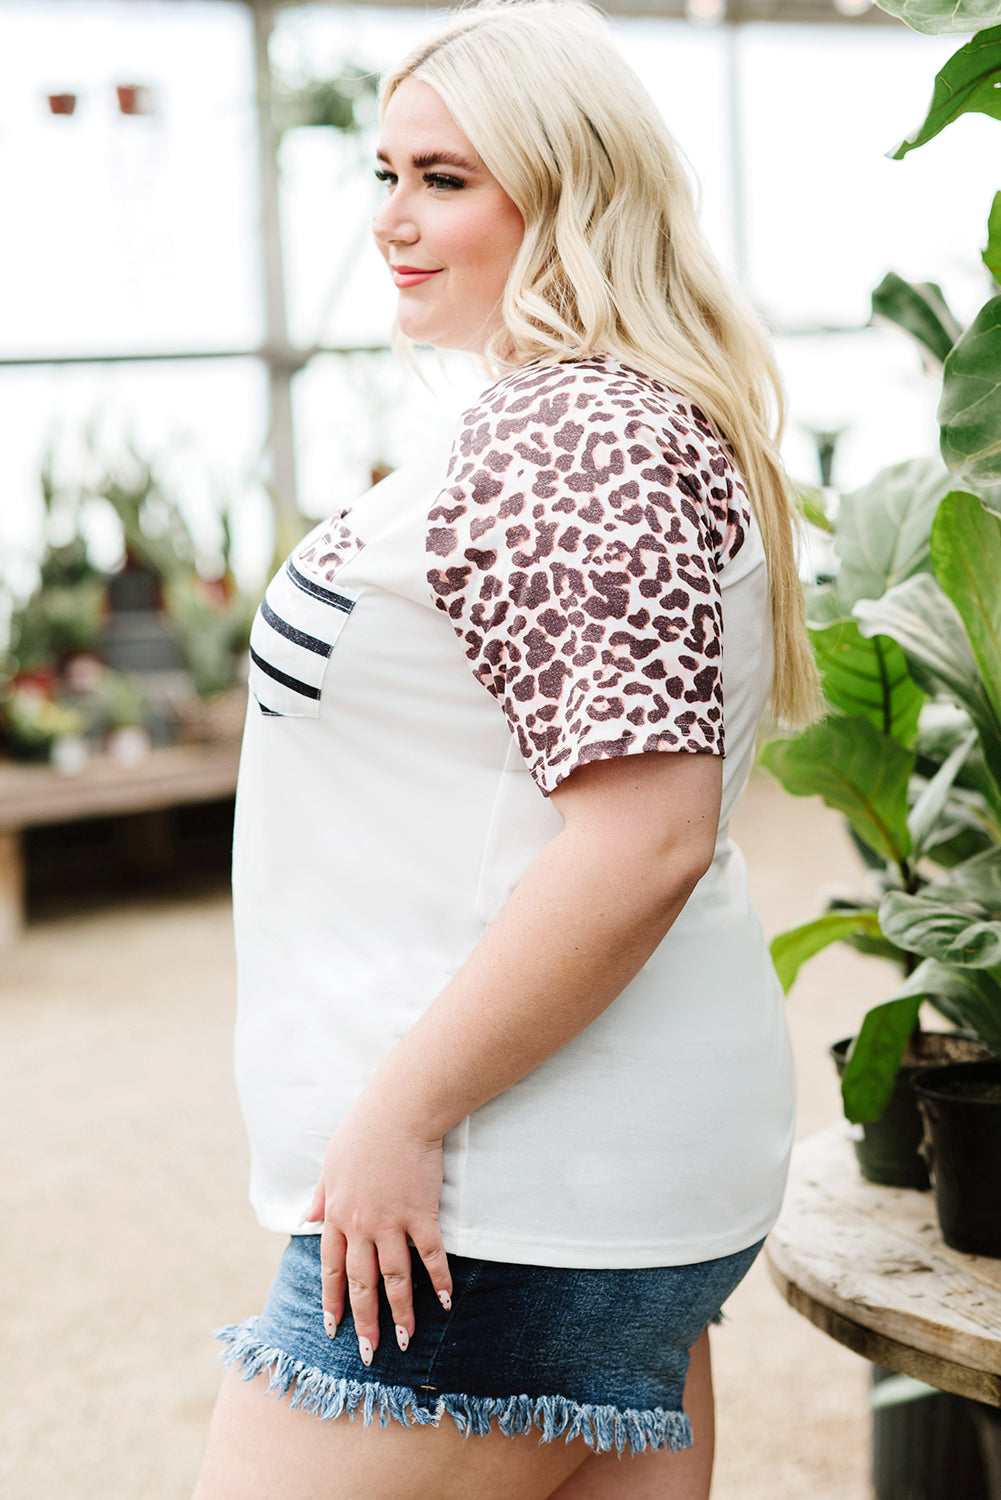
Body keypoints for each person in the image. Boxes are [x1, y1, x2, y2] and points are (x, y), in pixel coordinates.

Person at [193, 3, 819, 1496]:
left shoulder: (577, 442)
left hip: (501, 1200)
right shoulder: (593, 417)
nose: (394, 224)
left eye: (446, 180)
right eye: (384, 174)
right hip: (573, 1175)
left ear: (573, 189)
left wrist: (399, 1117)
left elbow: (642, 836)